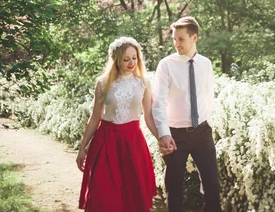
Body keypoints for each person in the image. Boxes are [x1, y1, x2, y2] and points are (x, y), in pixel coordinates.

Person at [77, 36, 157, 211]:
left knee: (133, 196)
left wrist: (162, 139)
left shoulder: (143, 82)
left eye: (134, 58)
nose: (131, 63)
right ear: (116, 60)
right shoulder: (103, 83)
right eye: (126, 59)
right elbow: (94, 118)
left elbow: (148, 117)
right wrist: (82, 147)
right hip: (106, 143)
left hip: (132, 144)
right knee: (102, 194)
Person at [152, 16, 222, 212]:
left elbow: (208, 96)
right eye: (174, 39)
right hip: (175, 135)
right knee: (174, 187)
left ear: (194, 38)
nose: (176, 44)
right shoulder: (166, 65)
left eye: (181, 39)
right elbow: (157, 103)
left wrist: (208, 123)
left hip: (202, 132)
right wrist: (164, 134)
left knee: (212, 186)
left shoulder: (206, 64)